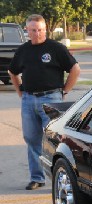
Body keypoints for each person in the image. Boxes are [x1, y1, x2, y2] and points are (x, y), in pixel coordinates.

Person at [8, 14, 80, 190]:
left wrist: (65, 91)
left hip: (51, 99)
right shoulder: (23, 50)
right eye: (33, 30)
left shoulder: (56, 48)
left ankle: (62, 179)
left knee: (56, 141)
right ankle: (37, 178)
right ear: (27, 30)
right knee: (32, 139)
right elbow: (12, 72)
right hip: (28, 100)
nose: (37, 33)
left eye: (40, 30)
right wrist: (20, 92)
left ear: (45, 29)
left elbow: (75, 69)